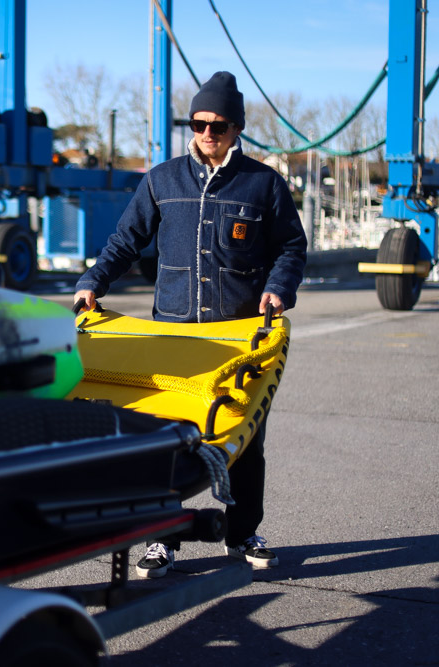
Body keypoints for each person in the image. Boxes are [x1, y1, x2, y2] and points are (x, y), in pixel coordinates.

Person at [73, 71, 306, 576]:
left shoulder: (264, 184)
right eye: (198, 124)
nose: (206, 133)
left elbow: (291, 247)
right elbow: (126, 241)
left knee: (245, 443)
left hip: (238, 336)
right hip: (173, 334)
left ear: (236, 127)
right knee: (166, 443)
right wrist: (94, 281)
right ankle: (163, 540)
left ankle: (242, 534)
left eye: (217, 125)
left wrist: (278, 288)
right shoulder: (162, 179)